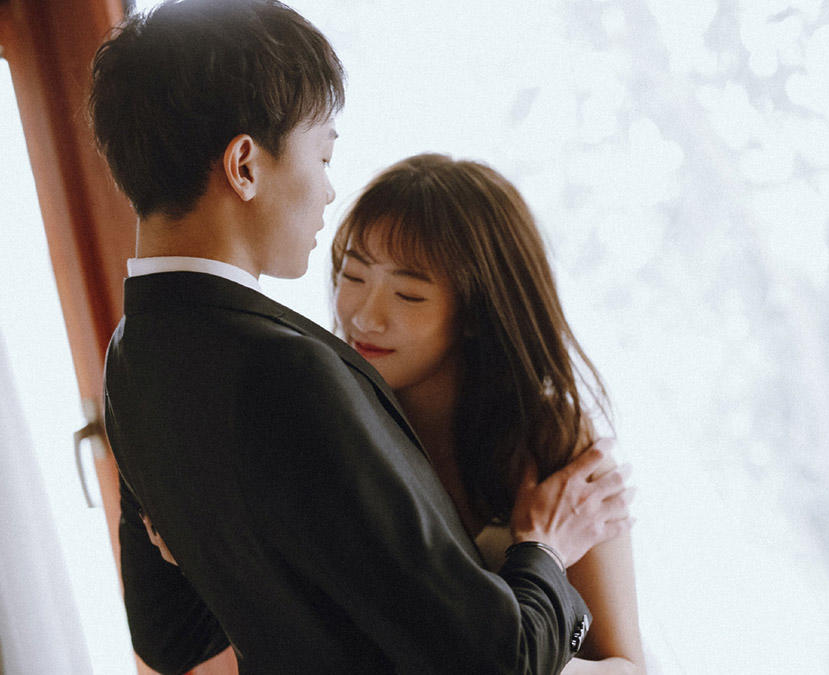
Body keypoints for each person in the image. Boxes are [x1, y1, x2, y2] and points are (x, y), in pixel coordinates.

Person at [89, 1, 632, 673]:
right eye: (322, 154)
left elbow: (169, 638)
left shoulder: (129, 362)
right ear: (245, 166)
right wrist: (543, 549)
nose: (327, 190)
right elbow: (498, 661)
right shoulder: (290, 371)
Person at [330, 154, 645, 674]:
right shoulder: (333, 416)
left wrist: (537, 559)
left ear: (478, 311)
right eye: (353, 274)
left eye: (408, 294)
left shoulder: (551, 441)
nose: (364, 316)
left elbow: (625, 667)